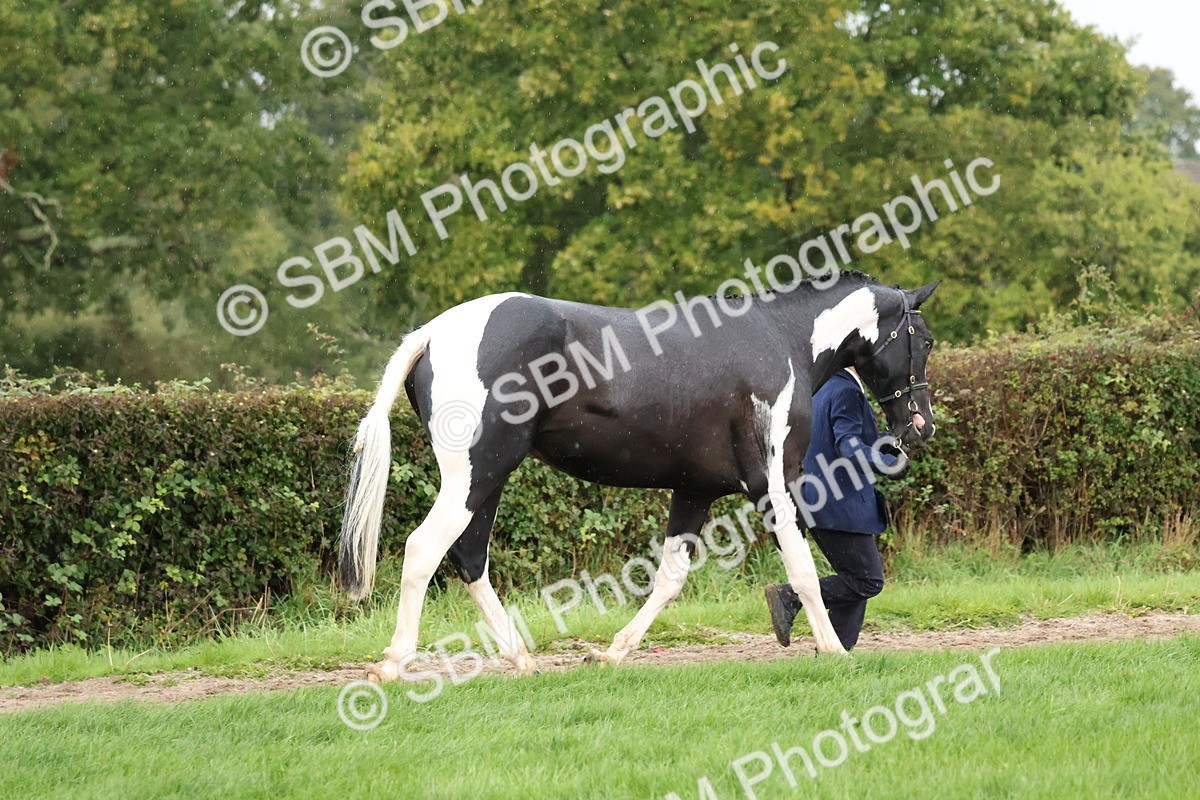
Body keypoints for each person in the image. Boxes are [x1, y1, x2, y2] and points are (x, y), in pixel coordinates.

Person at [763, 366, 919, 651]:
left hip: (819, 502)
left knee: (853, 584)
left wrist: (896, 440)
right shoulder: (848, 390)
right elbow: (848, 447)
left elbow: (851, 440)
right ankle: (791, 596)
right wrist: (886, 464)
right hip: (840, 506)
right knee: (867, 581)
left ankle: (835, 655)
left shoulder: (822, 386)